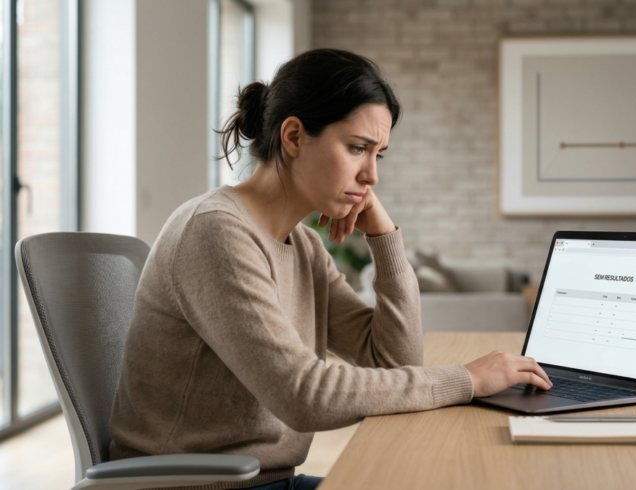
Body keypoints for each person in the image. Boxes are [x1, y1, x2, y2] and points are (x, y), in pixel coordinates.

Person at [109, 48, 552, 490]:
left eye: (379, 154)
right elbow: (304, 396)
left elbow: (394, 362)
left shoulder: (302, 244)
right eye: (358, 148)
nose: (372, 176)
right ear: (295, 137)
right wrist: (466, 380)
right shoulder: (215, 233)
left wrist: (383, 235)